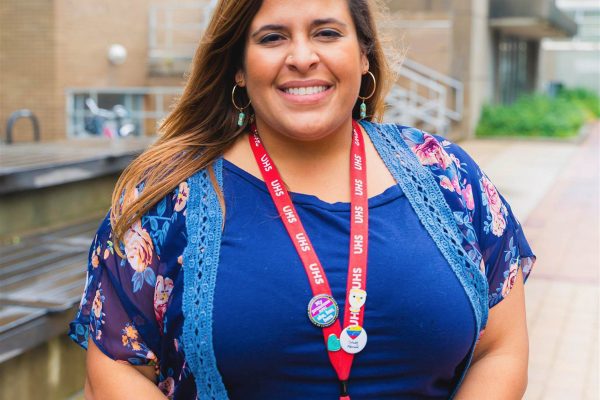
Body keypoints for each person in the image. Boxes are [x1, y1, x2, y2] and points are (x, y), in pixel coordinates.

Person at [68, 0, 536, 399]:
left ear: (364, 55)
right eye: (272, 38)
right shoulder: (166, 199)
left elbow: (501, 346)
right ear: (238, 66)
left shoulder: (448, 176)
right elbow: (116, 368)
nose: (302, 57)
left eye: (327, 32)